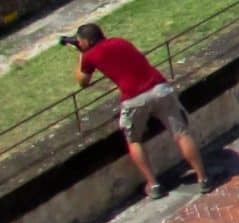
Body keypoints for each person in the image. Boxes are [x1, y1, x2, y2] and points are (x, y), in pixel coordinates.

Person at [70, 23, 211, 198]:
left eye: (79, 41)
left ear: (85, 41)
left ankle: (153, 184)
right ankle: (203, 178)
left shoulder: (89, 55)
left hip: (133, 98)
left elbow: (83, 81)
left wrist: (81, 55)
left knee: (134, 140)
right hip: (160, 88)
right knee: (182, 133)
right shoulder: (119, 41)